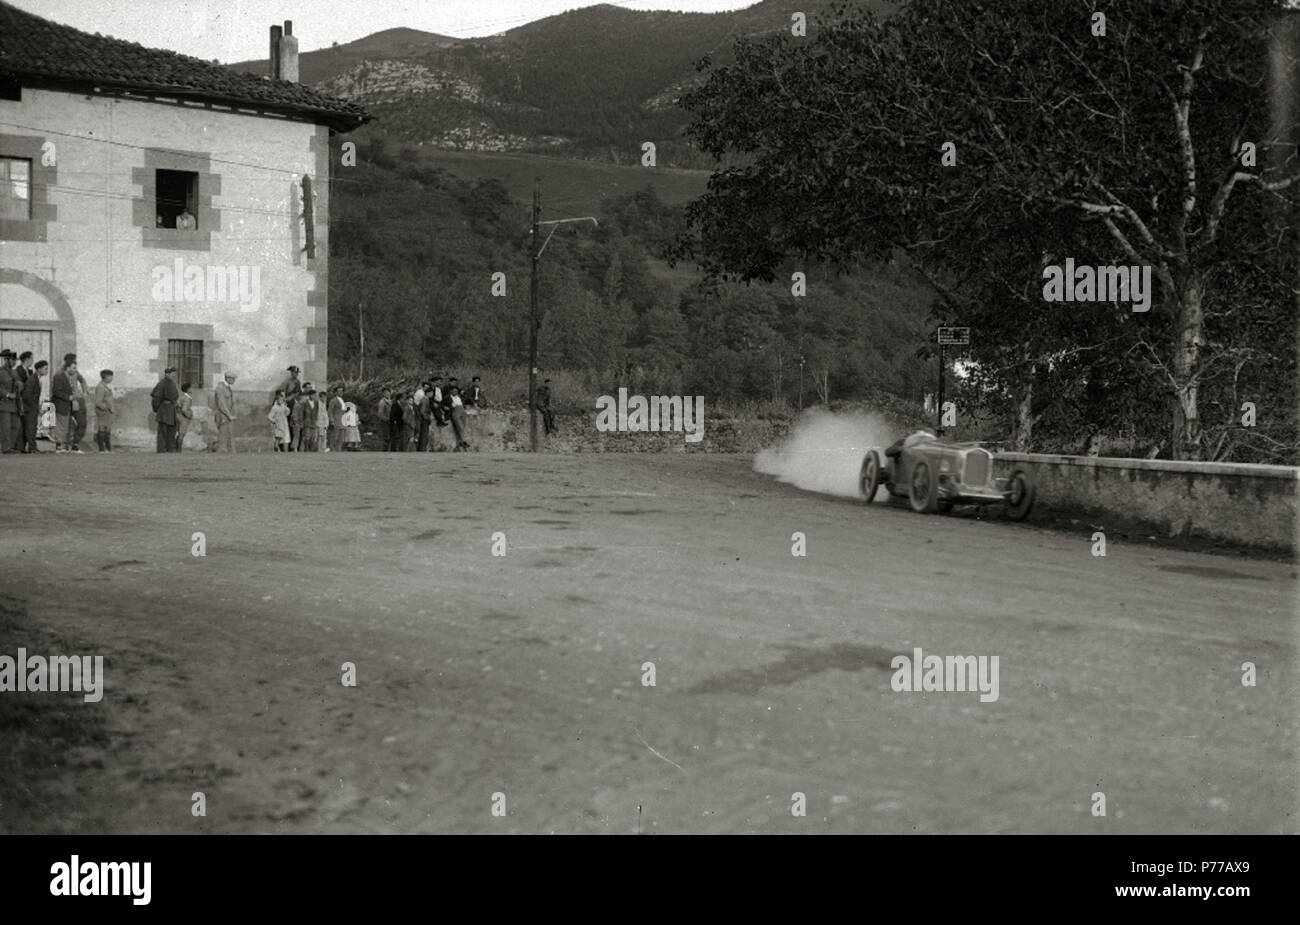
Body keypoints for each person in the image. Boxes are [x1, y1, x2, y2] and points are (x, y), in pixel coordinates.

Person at [52, 355, 90, 453]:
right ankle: (62, 446)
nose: (75, 368)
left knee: (82, 423)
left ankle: (74, 444)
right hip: (67, 402)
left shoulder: (75, 372)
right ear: (66, 364)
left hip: (76, 401)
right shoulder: (60, 374)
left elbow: (82, 381)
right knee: (65, 424)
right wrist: (68, 397)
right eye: (73, 363)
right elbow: (57, 391)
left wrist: (85, 392)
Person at [150, 366, 181, 452]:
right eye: (172, 373)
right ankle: (161, 449)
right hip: (164, 409)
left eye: (175, 373)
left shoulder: (172, 383)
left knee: (172, 430)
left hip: (171, 409)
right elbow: (156, 398)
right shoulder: (161, 384)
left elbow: (175, 397)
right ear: (167, 374)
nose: (174, 375)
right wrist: (157, 410)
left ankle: (170, 448)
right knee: (163, 430)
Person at [16, 352, 41, 453]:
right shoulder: (18, 371)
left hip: (28, 404)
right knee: (22, 425)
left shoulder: (30, 372)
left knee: (27, 425)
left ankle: (25, 447)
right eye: (31, 358)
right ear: (26, 359)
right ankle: (20, 447)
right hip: (21, 402)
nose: (32, 360)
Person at [278, 366, 303, 451]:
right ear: (291, 373)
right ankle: (284, 447)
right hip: (288, 404)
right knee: (286, 425)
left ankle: (294, 446)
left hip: (294, 405)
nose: (295, 374)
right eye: (294, 372)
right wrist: (286, 399)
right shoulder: (287, 382)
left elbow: (299, 393)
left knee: (295, 426)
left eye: (296, 373)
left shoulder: (298, 382)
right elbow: (282, 393)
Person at [212, 372, 237, 452]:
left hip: (227, 415)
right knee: (223, 435)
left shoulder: (228, 388)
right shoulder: (220, 388)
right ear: (228, 378)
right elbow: (221, 404)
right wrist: (229, 415)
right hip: (222, 415)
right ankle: (221, 452)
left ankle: (229, 452)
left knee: (229, 435)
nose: (234, 381)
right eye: (233, 379)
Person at [0, 349, 18, 454]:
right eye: (12, 360)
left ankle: (11, 446)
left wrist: (19, 385)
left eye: (15, 360)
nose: (14, 362)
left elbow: (20, 383)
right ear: (6, 360)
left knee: (15, 425)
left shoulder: (14, 372)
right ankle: (6, 448)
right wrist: (7, 394)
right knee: (5, 427)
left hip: (14, 404)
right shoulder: (0, 371)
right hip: (3, 403)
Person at [92, 369, 115, 452]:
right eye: (111, 376)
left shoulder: (104, 386)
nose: (112, 378)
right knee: (102, 430)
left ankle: (107, 449)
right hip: (103, 412)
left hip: (106, 412)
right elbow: (98, 402)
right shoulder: (101, 387)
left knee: (106, 430)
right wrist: (107, 408)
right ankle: (102, 449)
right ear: (106, 377)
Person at [293, 384, 320, 452]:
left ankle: (311, 450)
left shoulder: (316, 403)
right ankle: (306, 449)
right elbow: (302, 413)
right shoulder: (305, 403)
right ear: (309, 395)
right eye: (313, 395)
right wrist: (301, 422)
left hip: (313, 422)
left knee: (313, 437)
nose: (314, 396)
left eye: (315, 395)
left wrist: (316, 420)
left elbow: (316, 412)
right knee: (307, 437)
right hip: (307, 422)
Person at [448, 384, 470, 451]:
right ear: (451, 391)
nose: (455, 392)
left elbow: (466, 399)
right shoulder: (448, 397)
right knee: (459, 427)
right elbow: (443, 404)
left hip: (462, 411)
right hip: (455, 411)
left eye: (456, 391)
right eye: (454, 391)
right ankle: (463, 441)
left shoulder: (459, 397)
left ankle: (459, 443)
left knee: (462, 427)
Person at [176, 382, 194, 452]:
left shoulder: (182, 397)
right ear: (188, 389)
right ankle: (178, 450)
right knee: (182, 433)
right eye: (190, 387)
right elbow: (184, 409)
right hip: (183, 418)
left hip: (178, 416)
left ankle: (176, 448)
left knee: (179, 433)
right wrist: (189, 415)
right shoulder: (187, 398)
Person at [328, 385, 346, 452]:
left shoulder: (342, 400)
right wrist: (331, 421)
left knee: (341, 439)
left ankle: (339, 451)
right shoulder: (333, 400)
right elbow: (330, 411)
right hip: (336, 421)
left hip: (342, 422)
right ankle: (332, 450)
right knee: (334, 438)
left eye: (342, 391)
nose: (341, 392)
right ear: (335, 392)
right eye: (339, 391)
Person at [415, 382, 432, 451]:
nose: (432, 394)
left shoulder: (426, 399)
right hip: (424, 419)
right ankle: (422, 449)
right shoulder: (425, 399)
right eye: (431, 393)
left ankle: (421, 449)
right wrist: (427, 418)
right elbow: (422, 411)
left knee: (423, 435)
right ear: (428, 393)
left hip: (423, 419)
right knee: (424, 435)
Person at [315, 387, 330, 452]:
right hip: (319, 423)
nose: (325, 398)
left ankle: (323, 449)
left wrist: (326, 423)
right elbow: (318, 414)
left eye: (325, 397)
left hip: (323, 423)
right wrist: (318, 423)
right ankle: (319, 449)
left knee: (323, 437)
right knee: (319, 437)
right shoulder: (318, 404)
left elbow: (325, 415)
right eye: (323, 397)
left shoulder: (324, 404)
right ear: (320, 397)